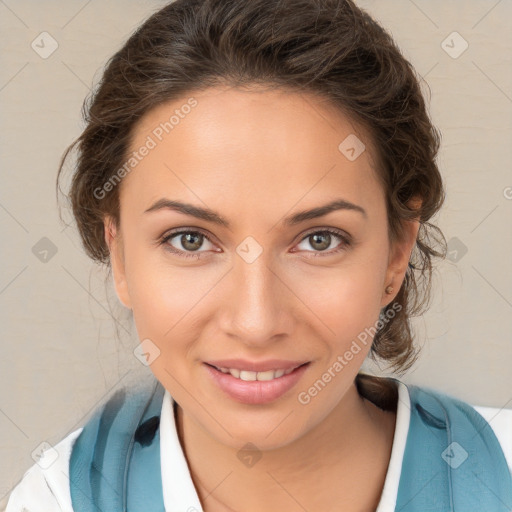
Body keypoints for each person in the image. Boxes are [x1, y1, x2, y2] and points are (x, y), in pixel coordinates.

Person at [3, 0, 511, 510]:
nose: (255, 322)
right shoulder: (53, 500)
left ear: (397, 252)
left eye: (319, 239)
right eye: (190, 240)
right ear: (119, 256)